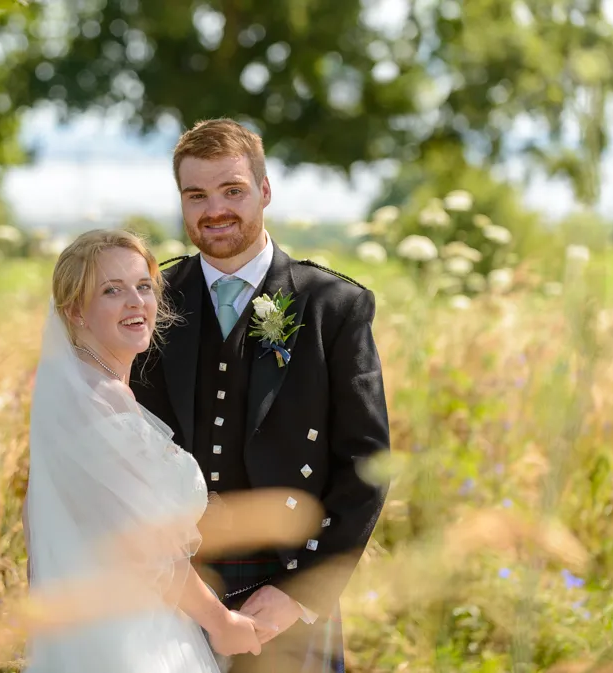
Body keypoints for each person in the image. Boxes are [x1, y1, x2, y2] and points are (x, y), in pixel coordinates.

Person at [129, 118, 391, 672]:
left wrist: (301, 593)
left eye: (233, 190)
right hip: (172, 586)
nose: (214, 209)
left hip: (286, 582)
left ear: (265, 191)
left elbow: (367, 464)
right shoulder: (147, 302)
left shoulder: (332, 307)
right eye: (195, 194)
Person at [22, 229, 270, 673]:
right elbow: (146, 549)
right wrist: (220, 622)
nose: (135, 301)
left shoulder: (100, 390)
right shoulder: (95, 405)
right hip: (128, 640)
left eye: (142, 286)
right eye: (111, 290)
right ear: (74, 311)